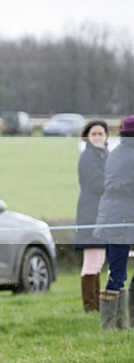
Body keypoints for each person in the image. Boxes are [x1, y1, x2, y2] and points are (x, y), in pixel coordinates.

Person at [94, 115, 134, 330]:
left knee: (116, 271)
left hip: (113, 217)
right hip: (122, 219)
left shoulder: (116, 152)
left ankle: (120, 323)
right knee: (117, 273)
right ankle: (110, 325)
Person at [74, 120, 109, 313]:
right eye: (94, 134)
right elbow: (96, 184)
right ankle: (90, 305)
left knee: (98, 261)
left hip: (103, 214)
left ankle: (96, 303)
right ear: (87, 136)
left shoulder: (105, 155)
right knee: (91, 261)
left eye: (100, 133)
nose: (97, 137)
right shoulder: (88, 157)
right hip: (90, 214)